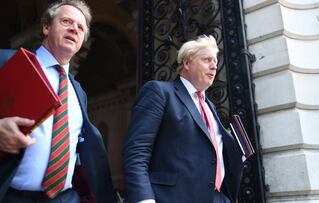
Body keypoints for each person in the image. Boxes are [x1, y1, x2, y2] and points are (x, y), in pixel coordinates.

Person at [0, 0, 117, 202]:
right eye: (66, 21)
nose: (74, 29)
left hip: (65, 198)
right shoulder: (6, 62)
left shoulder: (78, 92)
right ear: (46, 27)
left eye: (81, 28)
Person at [122, 35, 244, 203]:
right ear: (187, 63)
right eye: (207, 59)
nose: (214, 66)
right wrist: (144, 199)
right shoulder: (159, 92)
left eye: (215, 61)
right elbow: (137, 151)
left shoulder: (210, 106)